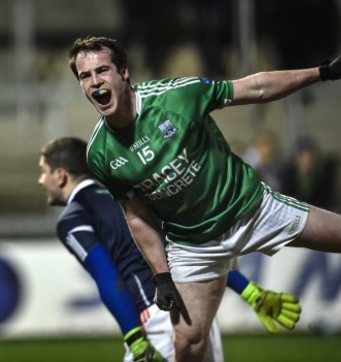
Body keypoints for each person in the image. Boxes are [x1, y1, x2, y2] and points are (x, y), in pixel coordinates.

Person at [67, 35, 341, 362]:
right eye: (85, 76)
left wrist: (320, 72)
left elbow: (256, 88)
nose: (95, 82)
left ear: (124, 72)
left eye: (102, 70)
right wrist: (162, 276)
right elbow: (134, 215)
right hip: (192, 245)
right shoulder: (100, 155)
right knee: (187, 344)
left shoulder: (176, 96)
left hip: (250, 209)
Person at [38, 136, 302, 362]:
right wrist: (252, 293)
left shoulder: (74, 218)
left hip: (156, 320)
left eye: (43, 171)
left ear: (60, 175)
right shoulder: (133, 194)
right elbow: (191, 249)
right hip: (198, 314)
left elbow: (108, 276)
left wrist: (135, 339)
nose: (40, 180)